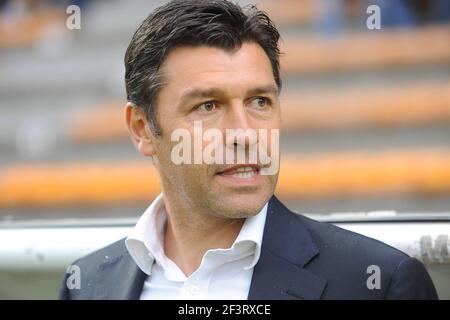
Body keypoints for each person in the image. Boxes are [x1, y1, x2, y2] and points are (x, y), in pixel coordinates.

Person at [58, 0, 438, 300]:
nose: (245, 133)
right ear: (142, 129)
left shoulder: (379, 284)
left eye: (259, 101)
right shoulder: (86, 284)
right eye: (207, 106)